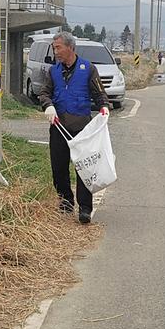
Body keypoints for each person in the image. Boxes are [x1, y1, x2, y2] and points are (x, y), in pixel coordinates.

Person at [38, 31, 111, 224]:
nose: (56, 52)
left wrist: (104, 107)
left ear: (70, 47)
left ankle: (85, 209)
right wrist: (48, 105)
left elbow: (99, 93)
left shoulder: (88, 68)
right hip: (58, 126)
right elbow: (44, 93)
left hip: (82, 129)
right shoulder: (53, 71)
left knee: (83, 169)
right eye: (54, 48)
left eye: (58, 47)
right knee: (59, 167)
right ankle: (65, 201)